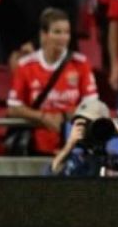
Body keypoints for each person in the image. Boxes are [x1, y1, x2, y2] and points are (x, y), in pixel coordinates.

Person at [7, 9, 98, 156]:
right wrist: (43, 117)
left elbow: (93, 105)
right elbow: (13, 108)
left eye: (66, 32)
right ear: (43, 35)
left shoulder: (81, 64)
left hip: (73, 145)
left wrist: (64, 116)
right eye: (57, 32)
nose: (63, 38)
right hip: (34, 146)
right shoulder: (26, 66)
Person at [49, 99, 118, 177]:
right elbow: (50, 177)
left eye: (91, 124)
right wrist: (69, 145)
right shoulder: (72, 162)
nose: (86, 130)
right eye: (81, 124)